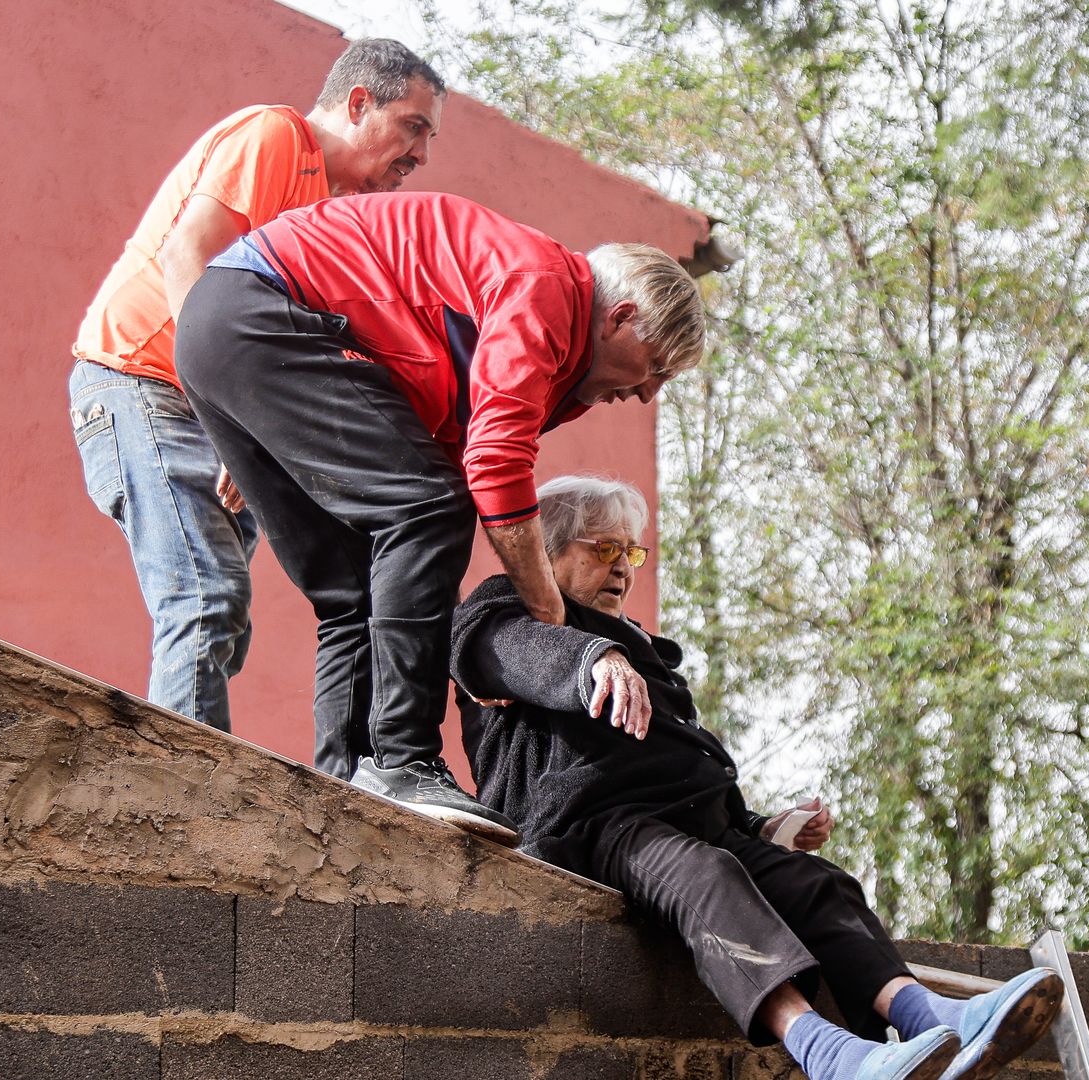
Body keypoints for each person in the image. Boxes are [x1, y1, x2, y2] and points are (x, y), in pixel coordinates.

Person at [449, 476, 1062, 1080]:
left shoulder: (641, 646)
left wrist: (761, 825)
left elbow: (675, 770)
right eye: (604, 549)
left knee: (816, 882)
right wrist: (590, 658)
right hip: (592, 828)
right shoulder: (507, 610)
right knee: (708, 874)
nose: (623, 568)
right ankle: (833, 1056)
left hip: (695, 828)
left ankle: (930, 1017)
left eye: (630, 552)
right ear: (547, 550)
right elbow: (500, 652)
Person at [172, 192, 705, 844]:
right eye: (654, 370)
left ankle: (342, 781)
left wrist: (273, 428)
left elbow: (447, 442)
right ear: (619, 317)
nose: (647, 394)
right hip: (264, 313)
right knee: (429, 506)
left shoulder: (562, 366)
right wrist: (548, 610)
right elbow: (492, 463)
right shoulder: (547, 291)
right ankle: (403, 759)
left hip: (227, 336)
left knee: (355, 584)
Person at [68, 39, 446, 732]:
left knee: (223, 620)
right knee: (204, 601)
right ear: (358, 103)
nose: (421, 155)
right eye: (413, 127)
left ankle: (190, 780)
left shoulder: (329, 212)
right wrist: (231, 421)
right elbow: (190, 254)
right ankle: (182, 801)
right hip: (142, 385)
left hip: (207, 410)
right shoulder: (277, 135)